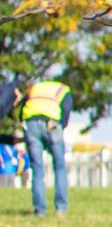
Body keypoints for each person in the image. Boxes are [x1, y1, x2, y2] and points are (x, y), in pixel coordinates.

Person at [20, 73, 73, 218]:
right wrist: (61, 125)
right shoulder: (62, 89)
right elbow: (67, 109)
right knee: (60, 166)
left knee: (37, 169)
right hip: (52, 123)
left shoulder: (35, 88)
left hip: (30, 124)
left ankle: (40, 210)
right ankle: (60, 208)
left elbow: (22, 109)